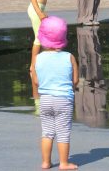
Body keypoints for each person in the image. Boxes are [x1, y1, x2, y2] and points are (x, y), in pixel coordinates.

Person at [32, 16, 79, 170]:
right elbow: (76, 80)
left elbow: (36, 80)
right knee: (63, 132)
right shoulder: (69, 57)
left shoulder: (38, 59)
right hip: (64, 99)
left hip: (45, 99)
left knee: (47, 132)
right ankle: (64, 163)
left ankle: (46, 162)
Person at [27, 0, 53, 114]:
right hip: (36, 9)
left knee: (42, 38)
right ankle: (33, 66)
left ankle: (38, 63)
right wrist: (40, 13)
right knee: (39, 39)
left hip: (39, 9)